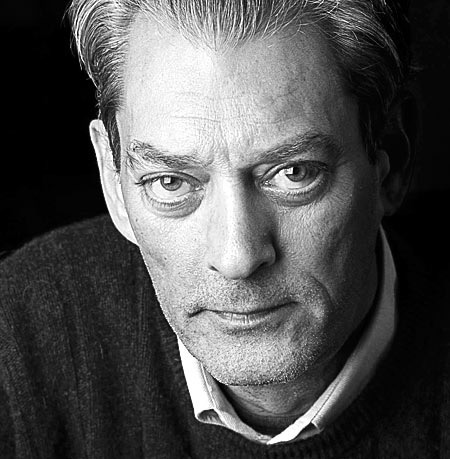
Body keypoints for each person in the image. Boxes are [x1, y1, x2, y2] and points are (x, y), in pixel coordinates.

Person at [0, 0, 449, 458]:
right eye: (171, 182)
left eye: (294, 174)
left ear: (392, 161)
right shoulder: (18, 341)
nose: (238, 258)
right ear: (113, 181)